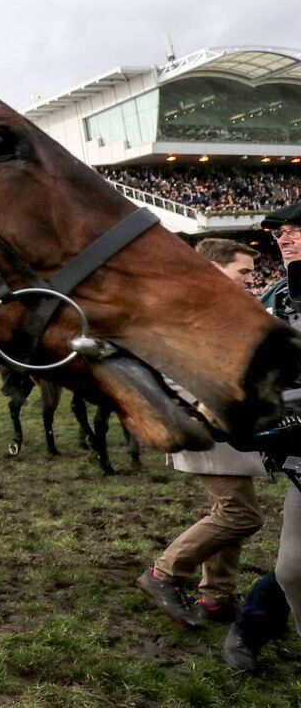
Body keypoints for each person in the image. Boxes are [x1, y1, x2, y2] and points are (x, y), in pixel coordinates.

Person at [136, 238, 265, 628]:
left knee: (230, 511)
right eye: (243, 272)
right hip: (208, 424)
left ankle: (216, 599)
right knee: (240, 514)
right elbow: (173, 374)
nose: (249, 280)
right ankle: (164, 574)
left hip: (229, 423)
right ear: (213, 268)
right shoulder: (183, 308)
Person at [223, 203, 301, 672]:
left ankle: (251, 625)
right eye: (282, 234)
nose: (285, 239)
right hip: (300, 459)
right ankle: (252, 626)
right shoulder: (275, 297)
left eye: (297, 231)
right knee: (294, 568)